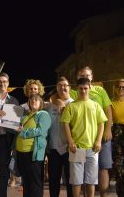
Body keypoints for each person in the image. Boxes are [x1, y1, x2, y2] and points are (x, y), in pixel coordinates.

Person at [69, 66, 113, 197]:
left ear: (92, 77)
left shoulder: (100, 90)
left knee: (103, 167)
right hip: (82, 139)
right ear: (78, 79)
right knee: (80, 173)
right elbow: (59, 95)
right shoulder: (74, 92)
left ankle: (103, 195)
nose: (85, 78)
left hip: (101, 136)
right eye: (82, 76)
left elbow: (108, 110)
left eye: (87, 75)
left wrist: (108, 129)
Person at [62, 77, 107, 197]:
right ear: (77, 89)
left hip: (92, 148)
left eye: (85, 88)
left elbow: (101, 123)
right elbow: (65, 123)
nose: (83, 91)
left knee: (91, 181)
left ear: (90, 88)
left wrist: (98, 141)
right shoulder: (71, 106)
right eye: (81, 88)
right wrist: (70, 141)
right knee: (76, 181)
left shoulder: (96, 105)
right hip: (77, 148)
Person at [16, 93, 51, 197]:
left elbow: (41, 131)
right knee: (26, 183)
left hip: (33, 154)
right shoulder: (26, 116)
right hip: (21, 152)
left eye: (36, 99)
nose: (33, 101)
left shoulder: (43, 114)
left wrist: (23, 132)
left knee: (35, 183)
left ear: (41, 102)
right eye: (31, 100)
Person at [46, 76, 73, 197]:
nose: (63, 88)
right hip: (54, 149)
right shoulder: (49, 106)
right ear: (56, 88)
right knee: (53, 182)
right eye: (60, 85)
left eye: (65, 85)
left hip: (70, 148)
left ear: (70, 88)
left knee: (71, 182)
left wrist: (63, 108)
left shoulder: (74, 104)